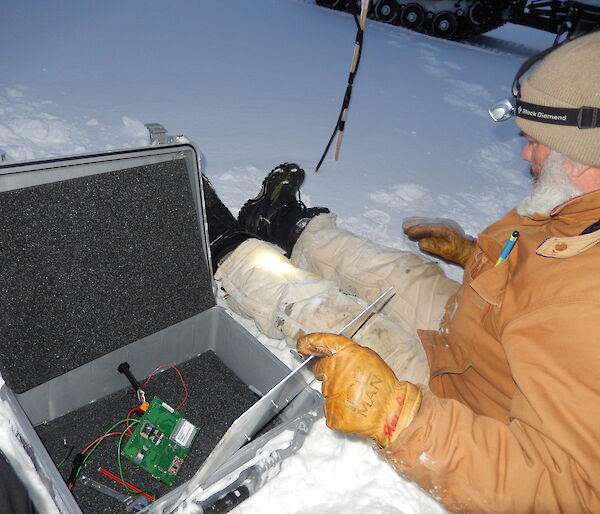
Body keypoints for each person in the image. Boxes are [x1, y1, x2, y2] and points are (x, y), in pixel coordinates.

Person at [205, 31, 600, 512]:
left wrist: (401, 417)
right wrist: (473, 255)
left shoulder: (587, 309)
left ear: (581, 156)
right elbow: (545, 279)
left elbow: (569, 490)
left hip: (461, 398)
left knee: (333, 314)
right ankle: (286, 225)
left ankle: (226, 248)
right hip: (479, 330)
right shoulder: (579, 206)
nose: (525, 155)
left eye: (536, 142)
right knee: (396, 270)